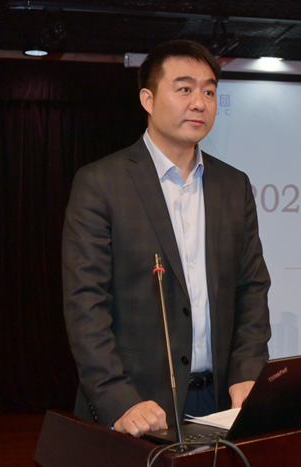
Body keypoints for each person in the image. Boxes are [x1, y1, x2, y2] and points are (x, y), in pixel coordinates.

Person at [62, 40, 271, 438]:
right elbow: (85, 303)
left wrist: (248, 372)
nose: (199, 103)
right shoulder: (101, 183)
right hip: (137, 405)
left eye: (209, 92)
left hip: (220, 402)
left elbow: (252, 289)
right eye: (184, 88)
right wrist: (118, 399)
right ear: (148, 99)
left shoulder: (234, 185)